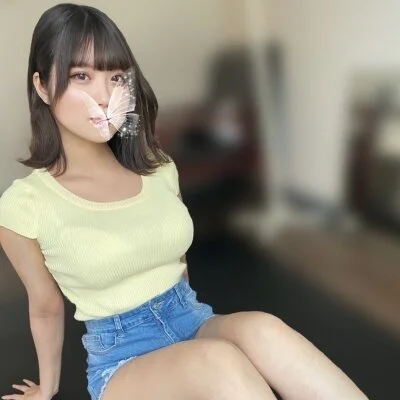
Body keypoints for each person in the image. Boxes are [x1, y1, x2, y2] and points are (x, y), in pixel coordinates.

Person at [0, 4, 368, 400]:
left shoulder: (158, 168)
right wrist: (47, 389)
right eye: (81, 76)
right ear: (42, 86)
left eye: (116, 76)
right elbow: (46, 306)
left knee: (264, 328)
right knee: (218, 362)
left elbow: (178, 266)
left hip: (190, 318)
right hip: (122, 358)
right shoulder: (25, 204)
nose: (104, 96)